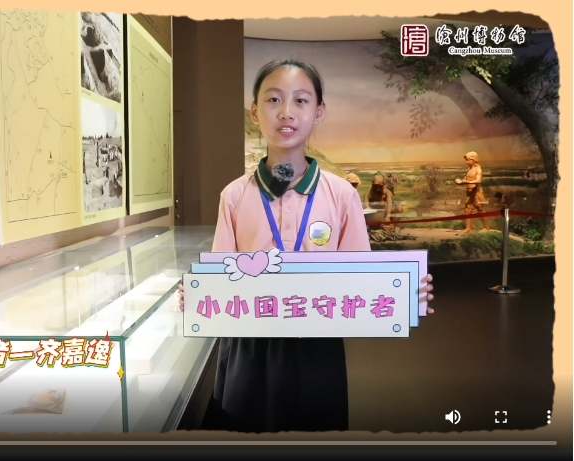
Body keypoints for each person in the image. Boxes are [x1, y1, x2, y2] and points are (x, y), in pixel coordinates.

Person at [177, 59, 434, 433]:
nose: (286, 112)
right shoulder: (234, 195)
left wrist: (403, 293)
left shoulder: (341, 194)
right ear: (255, 111)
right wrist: (199, 295)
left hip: (317, 341)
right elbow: (223, 276)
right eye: (273, 99)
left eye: (300, 100)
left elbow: (360, 278)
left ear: (319, 111)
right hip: (249, 344)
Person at [455, 151, 490, 234]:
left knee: (481, 209)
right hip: (470, 193)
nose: (466, 162)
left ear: (473, 160)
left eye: (468, 160)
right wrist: (459, 182)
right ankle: (468, 228)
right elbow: (466, 180)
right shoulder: (470, 170)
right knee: (468, 210)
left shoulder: (478, 169)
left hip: (477, 193)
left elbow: (478, 180)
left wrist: (465, 182)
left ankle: (486, 228)